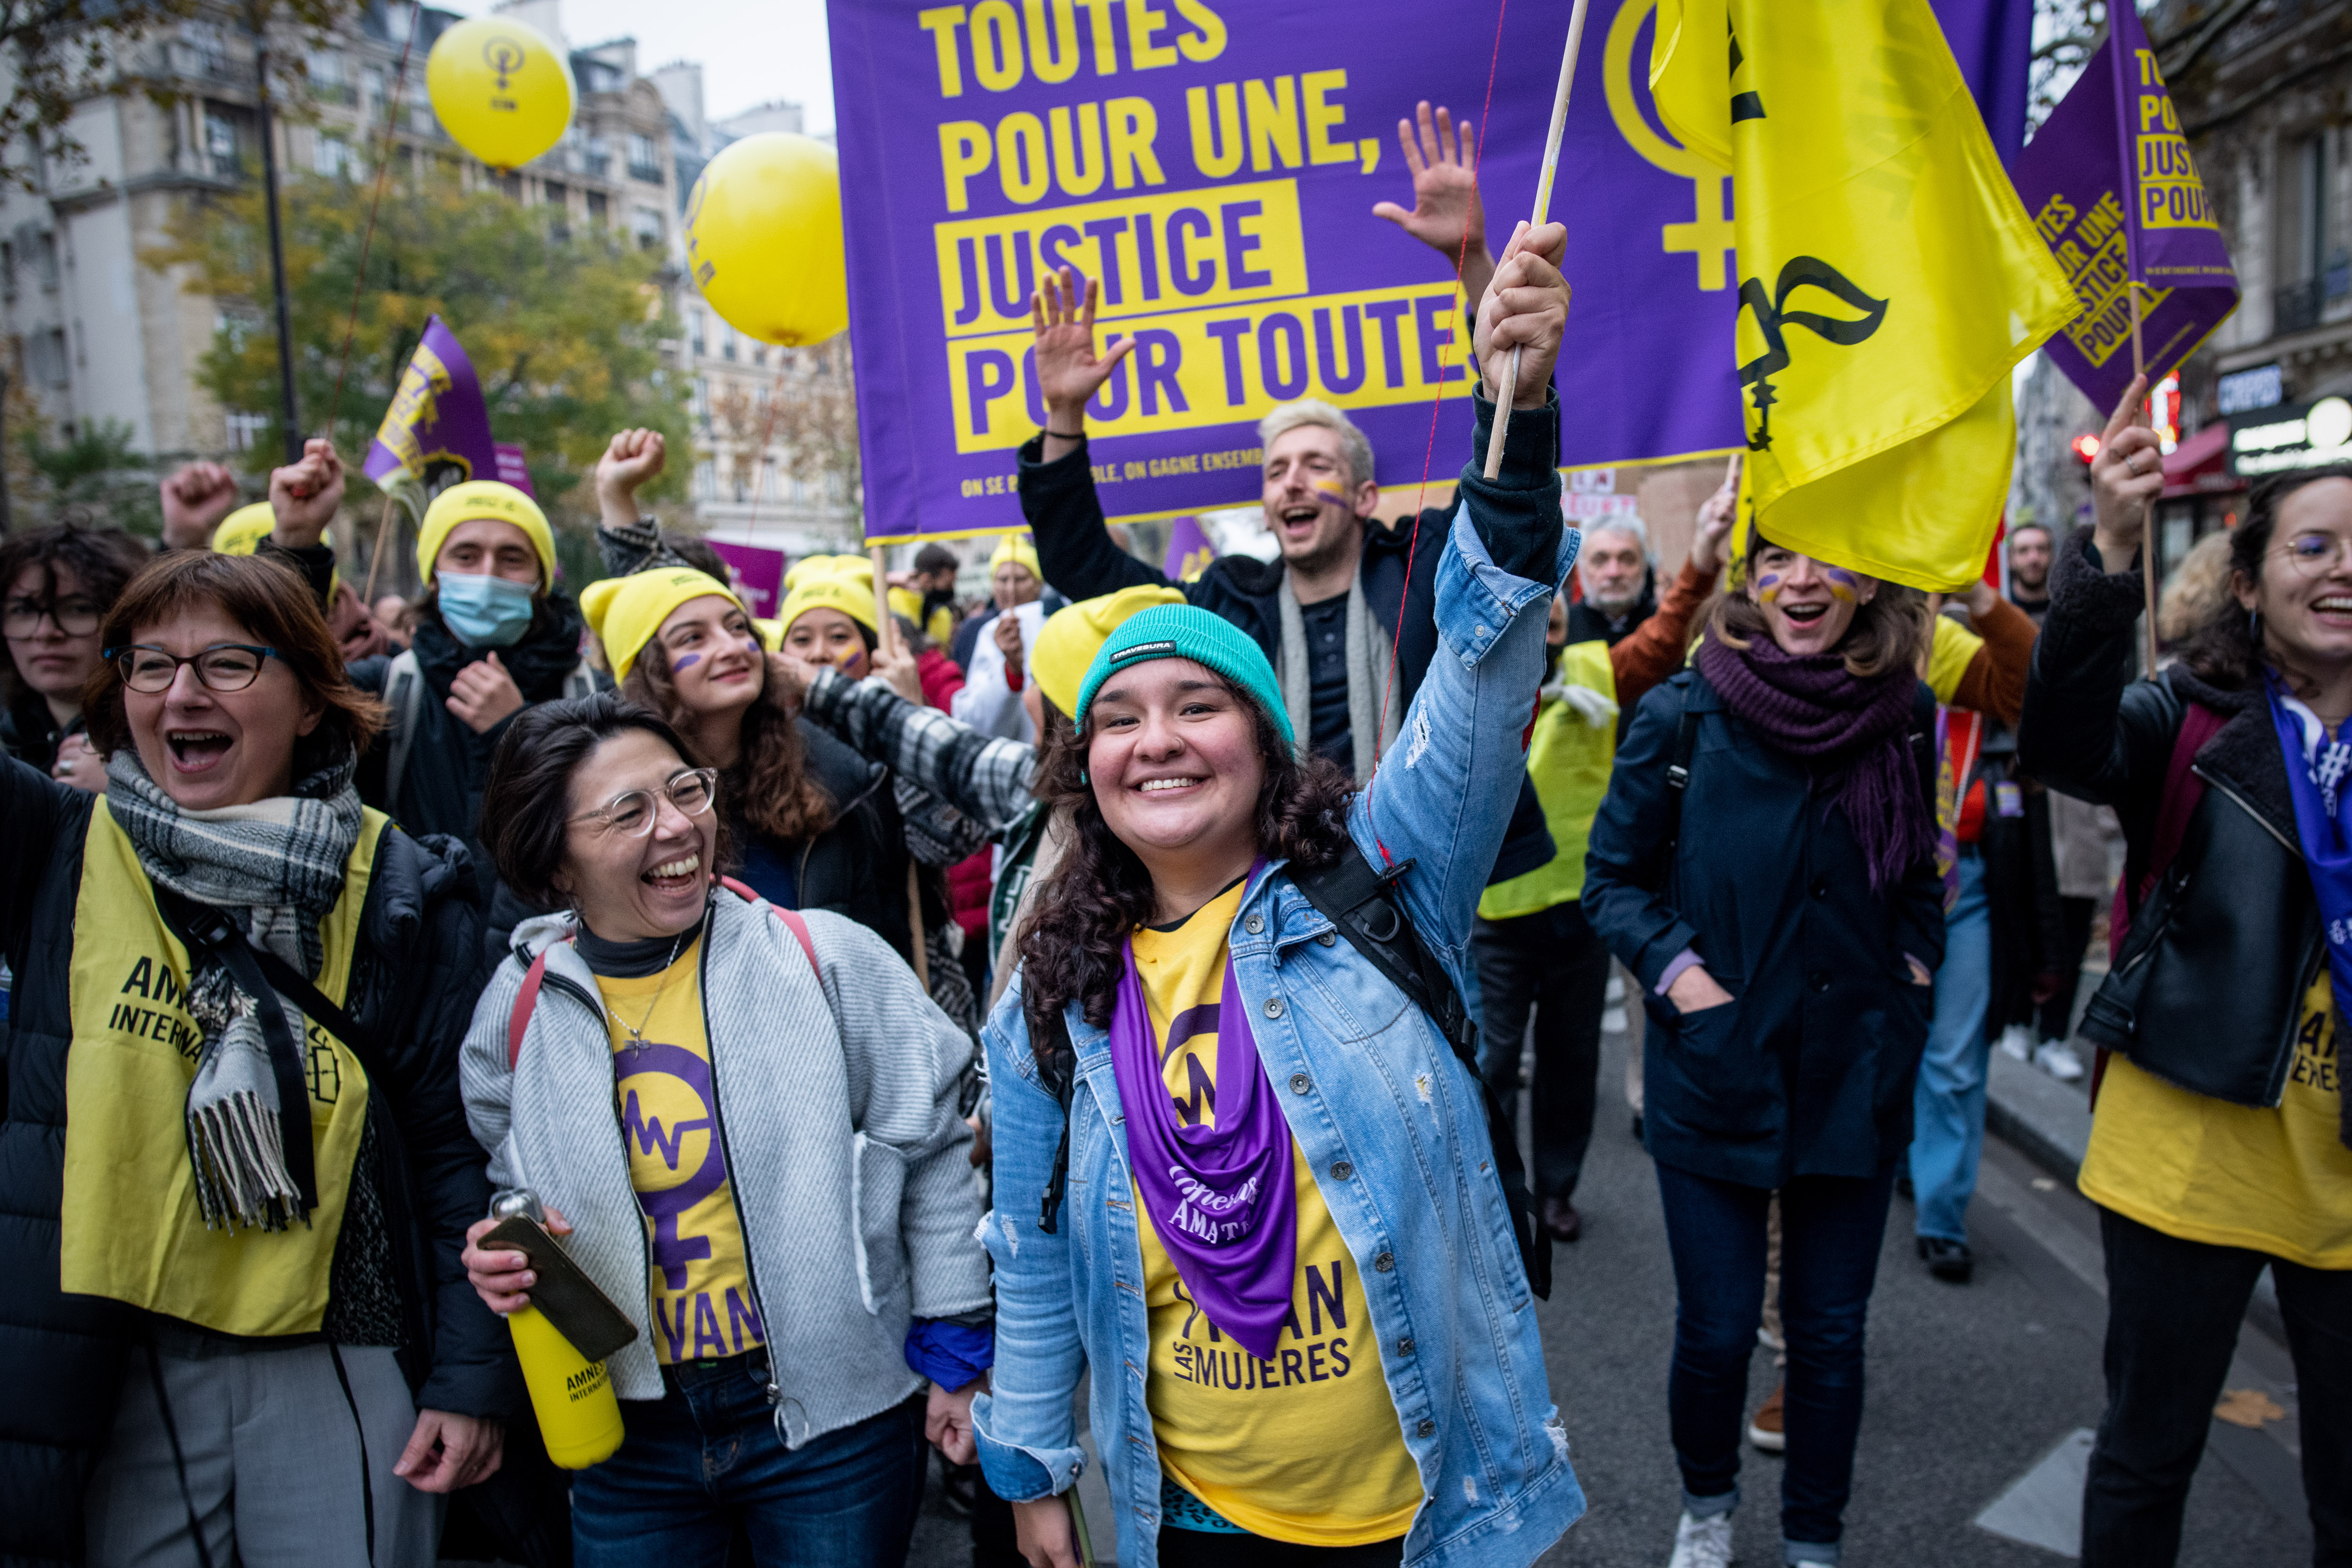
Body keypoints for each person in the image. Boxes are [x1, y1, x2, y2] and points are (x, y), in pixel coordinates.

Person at [977, 220, 1583, 1568]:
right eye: (1119, 718)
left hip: (1426, 1515)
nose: (1159, 736)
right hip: (1185, 1518)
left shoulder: (1384, 881)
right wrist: (1029, 1457)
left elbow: (1484, 656)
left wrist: (1519, 402)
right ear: (1089, 767)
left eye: (1199, 702)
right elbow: (1023, 1235)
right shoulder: (1049, 986)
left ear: (1261, 745)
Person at [0, 549, 512, 1567]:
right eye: (149, 665)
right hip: (124, 1358)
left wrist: (469, 1376)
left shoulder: (407, 887)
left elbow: (458, 1154)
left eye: (229, 663)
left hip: (346, 1349)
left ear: (315, 700)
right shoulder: (60, 845)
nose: (182, 691)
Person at [456, 694, 993, 1565]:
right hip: (626, 1436)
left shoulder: (826, 957)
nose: (676, 828)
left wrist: (958, 1349)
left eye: (686, 791)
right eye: (629, 811)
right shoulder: (517, 1009)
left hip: (836, 1428)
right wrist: (505, 1247)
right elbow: (506, 1172)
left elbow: (933, 1156)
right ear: (554, 860)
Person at [2018, 378, 2352, 1568]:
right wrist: (2107, 548)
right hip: (2189, 1164)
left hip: (2341, 1173)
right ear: (2250, 581)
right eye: (2312, 545)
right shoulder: (2191, 715)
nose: (2340, 569)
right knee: (2147, 1455)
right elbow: (2061, 744)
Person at [1585, 528, 1943, 1568]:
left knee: (1829, 1333)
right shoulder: (1682, 710)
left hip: (1853, 1069)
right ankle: (1707, 1503)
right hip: (1719, 1070)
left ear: (1865, 575)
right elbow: (1613, 881)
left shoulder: (1904, 714)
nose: (1800, 581)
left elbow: (1918, 874)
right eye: (1776, 559)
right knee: (1718, 1329)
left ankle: (1812, 1537)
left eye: (1827, 559)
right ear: (1747, 577)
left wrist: (1912, 969)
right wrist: (1689, 985)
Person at [1472, 470, 1740, 1246]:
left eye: (1556, 590)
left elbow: (1666, 633)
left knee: (1569, 1059)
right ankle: (1498, 1189)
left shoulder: (1599, 668)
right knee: (1494, 1061)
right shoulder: (1474, 682)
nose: (1547, 604)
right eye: (1532, 590)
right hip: (1497, 914)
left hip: (1580, 911)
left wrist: (1700, 559)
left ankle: (1556, 1188)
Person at [582, 566, 925, 966]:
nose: (732, 648)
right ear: (648, 671)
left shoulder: (835, 780)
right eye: (694, 638)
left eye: (738, 628)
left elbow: (877, 949)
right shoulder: (604, 807)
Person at [316, 448, 603, 868]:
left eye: (512, 558)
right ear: (434, 575)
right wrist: (297, 544)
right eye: (466, 557)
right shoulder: (383, 690)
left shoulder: (592, 695)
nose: (487, 574)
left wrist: (514, 734)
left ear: (541, 581)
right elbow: (275, 700)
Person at [0, 521, 152, 791]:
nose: (45, 633)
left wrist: (128, 790)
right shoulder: (8, 738)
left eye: (78, 609)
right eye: (22, 611)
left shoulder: (172, 730)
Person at [951, 533, 1053, 671]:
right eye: (1003, 580)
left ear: (1038, 584)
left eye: (1020, 579)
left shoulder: (1053, 624)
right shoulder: (974, 629)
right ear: (993, 584)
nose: (1011, 589)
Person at [2008, 521, 2054, 617]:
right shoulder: (2001, 607)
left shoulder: (2066, 607)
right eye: (2023, 550)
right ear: (2010, 560)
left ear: (2052, 555)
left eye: (2041, 549)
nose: (2034, 558)